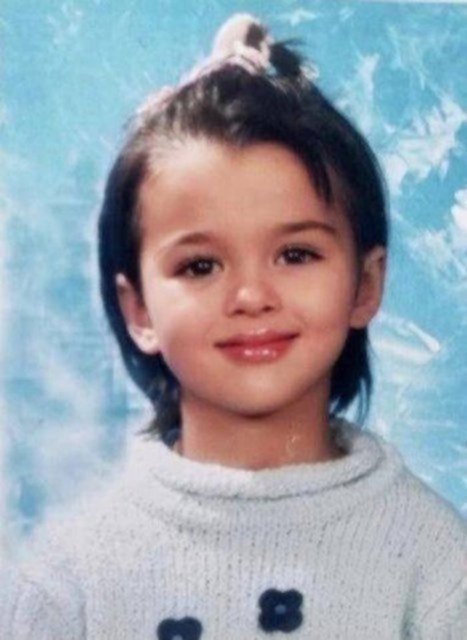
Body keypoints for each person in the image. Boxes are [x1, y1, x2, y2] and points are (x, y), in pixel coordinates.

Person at [1, 13, 465, 640]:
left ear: (365, 284)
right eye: (200, 265)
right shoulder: (68, 586)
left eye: (295, 254)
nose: (251, 297)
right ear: (139, 310)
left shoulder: (435, 567)